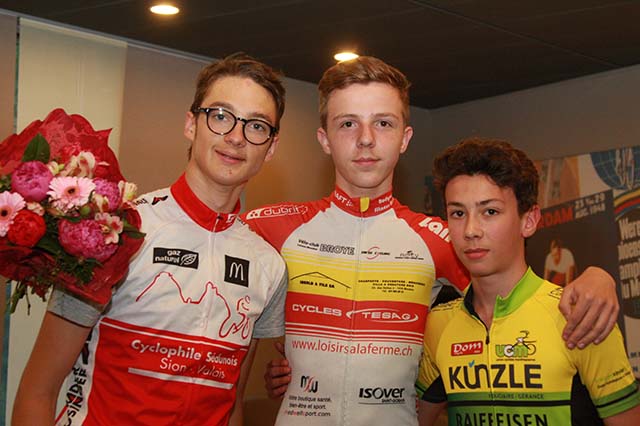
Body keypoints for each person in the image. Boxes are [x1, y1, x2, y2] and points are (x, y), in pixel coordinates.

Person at [244, 56, 621, 426]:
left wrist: (598, 278)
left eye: (383, 123)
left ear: (405, 138)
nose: (366, 139)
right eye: (347, 124)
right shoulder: (272, 228)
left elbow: (516, 302)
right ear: (324, 139)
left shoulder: (439, 238)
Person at [12, 53, 288, 426]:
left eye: (256, 125)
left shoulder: (268, 266)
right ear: (191, 124)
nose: (236, 137)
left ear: (271, 146)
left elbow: (232, 403)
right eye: (221, 116)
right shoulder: (114, 232)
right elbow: (37, 391)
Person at [417, 139, 640, 425]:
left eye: (490, 211)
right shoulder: (440, 325)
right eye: (458, 213)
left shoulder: (580, 317)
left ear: (529, 220)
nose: (471, 230)